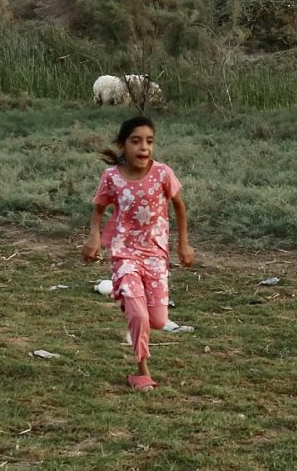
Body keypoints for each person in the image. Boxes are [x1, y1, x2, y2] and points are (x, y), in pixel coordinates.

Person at [82, 116, 194, 391]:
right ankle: (141, 371)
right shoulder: (112, 178)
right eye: (136, 141)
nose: (144, 148)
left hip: (156, 254)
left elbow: (179, 207)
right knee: (140, 316)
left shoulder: (163, 174)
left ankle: (132, 304)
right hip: (124, 253)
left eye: (149, 141)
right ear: (123, 145)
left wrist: (183, 244)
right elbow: (98, 209)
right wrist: (94, 237)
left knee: (158, 320)